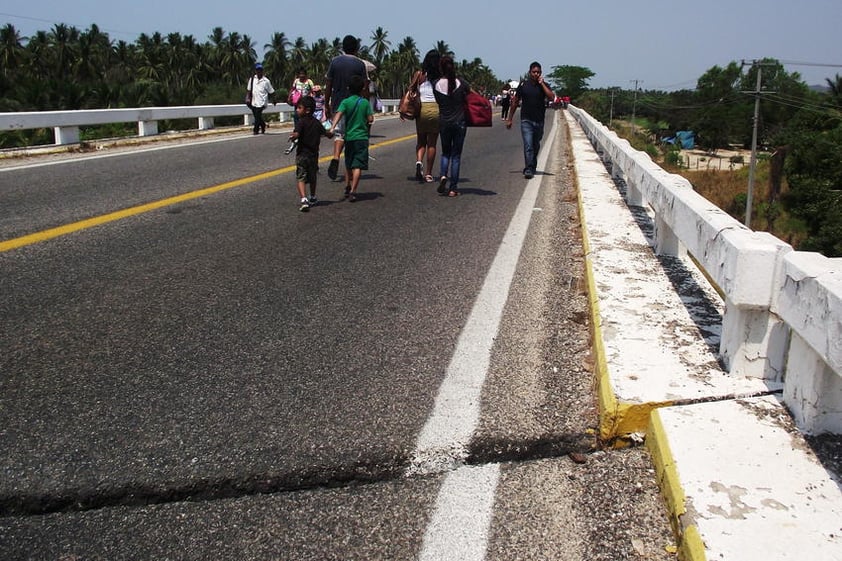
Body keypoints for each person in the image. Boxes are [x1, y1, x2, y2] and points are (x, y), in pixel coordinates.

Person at [324, 35, 368, 181]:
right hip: (356, 104)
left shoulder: (335, 62)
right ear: (356, 48)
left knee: (339, 135)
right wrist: (366, 104)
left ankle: (336, 158)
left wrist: (326, 104)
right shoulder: (360, 64)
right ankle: (350, 174)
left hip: (338, 104)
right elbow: (365, 86)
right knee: (352, 137)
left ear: (343, 47)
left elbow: (328, 84)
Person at [505, 61, 555, 179]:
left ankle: (532, 165)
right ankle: (528, 168)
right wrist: (509, 119)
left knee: (535, 144)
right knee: (528, 145)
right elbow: (515, 102)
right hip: (526, 120)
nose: (536, 74)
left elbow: (551, 97)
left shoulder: (544, 86)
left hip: (539, 121)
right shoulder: (523, 85)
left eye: (538, 72)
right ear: (529, 72)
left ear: (541, 73)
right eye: (534, 72)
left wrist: (542, 84)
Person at [329, 74, 373, 203]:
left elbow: (339, 114)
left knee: (349, 163)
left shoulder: (345, 102)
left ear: (349, 88)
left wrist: (332, 128)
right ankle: (353, 191)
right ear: (361, 89)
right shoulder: (364, 102)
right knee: (358, 165)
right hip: (362, 138)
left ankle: (347, 186)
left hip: (349, 138)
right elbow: (370, 119)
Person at [433, 55, 470, 197]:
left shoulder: (435, 84)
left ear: (440, 68)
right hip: (459, 122)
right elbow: (470, 94)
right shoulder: (461, 83)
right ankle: (453, 188)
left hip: (444, 122)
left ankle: (443, 175)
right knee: (456, 156)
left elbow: (438, 101)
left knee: (445, 152)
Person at [289, 95, 333, 212]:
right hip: (314, 155)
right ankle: (313, 197)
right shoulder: (317, 123)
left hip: (302, 155)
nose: (297, 110)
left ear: (307, 110)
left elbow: (297, 134)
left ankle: (304, 199)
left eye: (299, 108)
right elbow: (326, 134)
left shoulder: (300, 123)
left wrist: (293, 136)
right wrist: (332, 133)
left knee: (301, 177)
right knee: (313, 176)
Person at [406, 50, 441, 183]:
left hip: (422, 109)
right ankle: (428, 174)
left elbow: (411, 90)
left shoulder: (419, 74)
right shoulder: (441, 76)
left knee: (421, 141)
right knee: (432, 143)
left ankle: (419, 161)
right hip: (435, 109)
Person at [246, 63, 276, 135]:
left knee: (257, 116)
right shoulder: (252, 79)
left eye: (260, 70)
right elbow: (249, 90)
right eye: (257, 70)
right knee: (257, 116)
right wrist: (247, 98)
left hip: (262, 101)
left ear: (262, 71)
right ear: (255, 71)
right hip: (253, 101)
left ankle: (255, 130)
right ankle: (263, 125)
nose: (259, 71)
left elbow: (271, 91)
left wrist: (274, 100)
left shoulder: (266, 81)